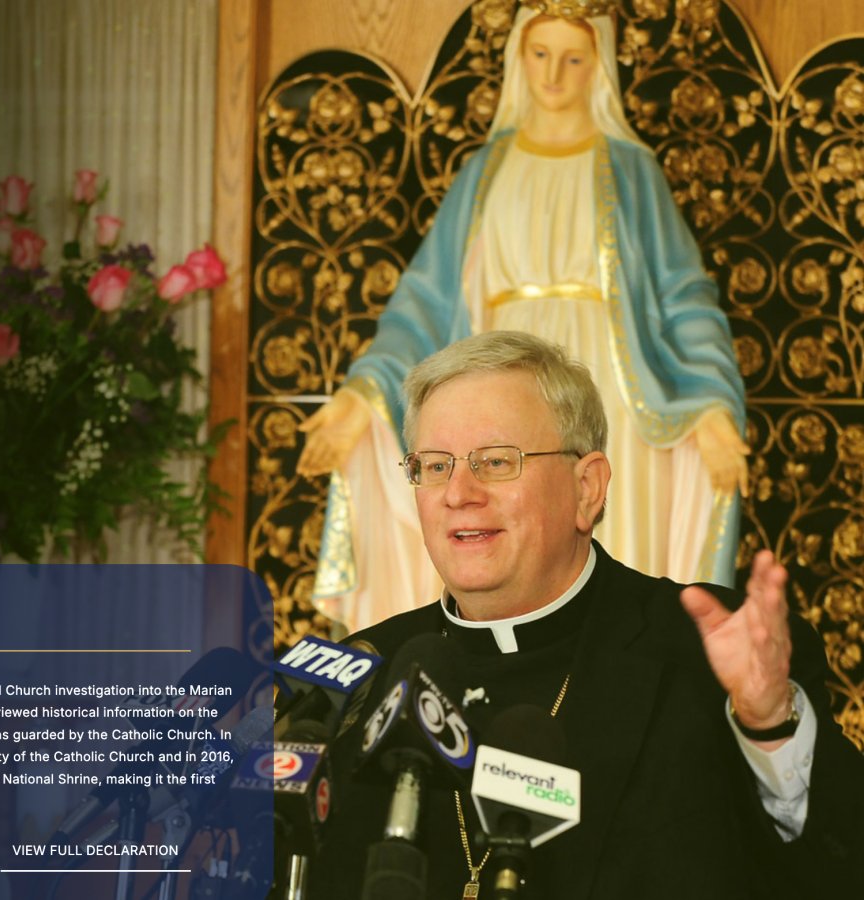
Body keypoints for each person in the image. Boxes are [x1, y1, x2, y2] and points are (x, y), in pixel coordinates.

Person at [310, 331, 862, 899]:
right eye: (433, 466)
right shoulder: (359, 678)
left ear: (587, 488)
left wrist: (769, 726)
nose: (458, 493)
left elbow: (841, 870)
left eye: (495, 461)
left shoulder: (707, 653)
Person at [298, 0, 748, 634]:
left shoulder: (630, 170)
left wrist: (709, 402)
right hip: (495, 381)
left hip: (611, 389)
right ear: (517, 58)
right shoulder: (486, 171)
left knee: (610, 541)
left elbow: (682, 295)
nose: (554, 74)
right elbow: (424, 301)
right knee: (489, 524)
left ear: (600, 65)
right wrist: (362, 393)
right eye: (540, 54)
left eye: (573, 58)